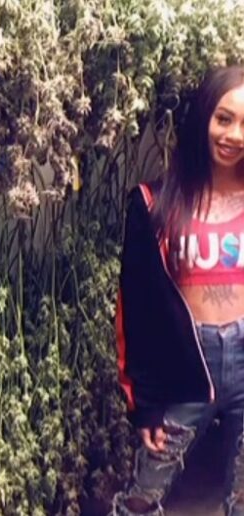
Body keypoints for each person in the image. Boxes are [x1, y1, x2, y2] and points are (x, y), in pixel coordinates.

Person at [113, 65, 244, 516]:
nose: (234, 135)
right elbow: (137, 308)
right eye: (224, 118)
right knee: (143, 492)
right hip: (186, 365)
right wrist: (145, 406)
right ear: (203, 116)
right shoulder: (154, 202)